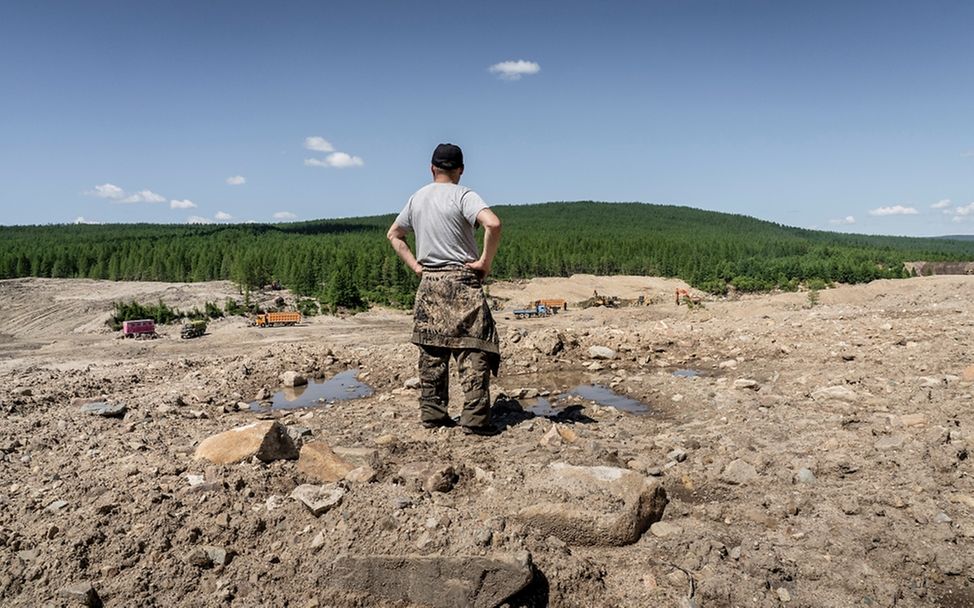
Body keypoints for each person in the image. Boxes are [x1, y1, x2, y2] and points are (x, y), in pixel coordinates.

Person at [387, 143, 503, 436]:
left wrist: (415, 266)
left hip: (431, 282)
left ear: (431, 168)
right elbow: (493, 224)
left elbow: (394, 234)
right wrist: (484, 264)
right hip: (463, 280)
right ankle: (475, 420)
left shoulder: (417, 198)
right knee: (473, 348)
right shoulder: (464, 194)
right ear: (461, 170)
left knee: (432, 353)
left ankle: (433, 415)